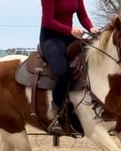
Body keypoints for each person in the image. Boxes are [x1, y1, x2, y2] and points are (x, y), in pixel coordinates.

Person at [39, 0, 98, 135]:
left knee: (92, 58)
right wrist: (70, 29)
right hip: (51, 38)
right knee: (62, 71)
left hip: (69, 37)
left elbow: (82, 15)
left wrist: (91, 28)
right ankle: (57, 114)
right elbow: (48, 21)